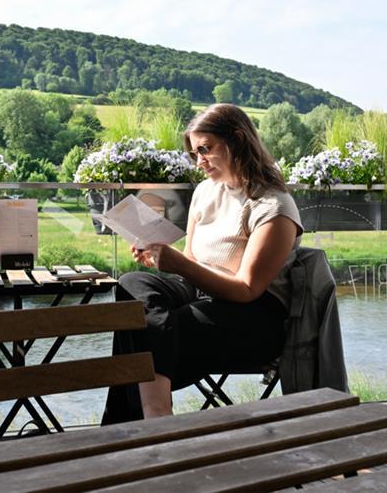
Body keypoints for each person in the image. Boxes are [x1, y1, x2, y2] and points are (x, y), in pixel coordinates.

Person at [102, 103, 304, 423]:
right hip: (201, 296)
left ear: (237, 139)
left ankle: (137, 429)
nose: (199, 161)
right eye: (195, 153)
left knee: (145, 336)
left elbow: (247, 289)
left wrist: (179, 264)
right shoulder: (205, 192)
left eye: (205, 149)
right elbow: (193, 261)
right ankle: (154, 418)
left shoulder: (273, 206)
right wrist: (162, 259)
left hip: (252, 319)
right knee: (132, 286)